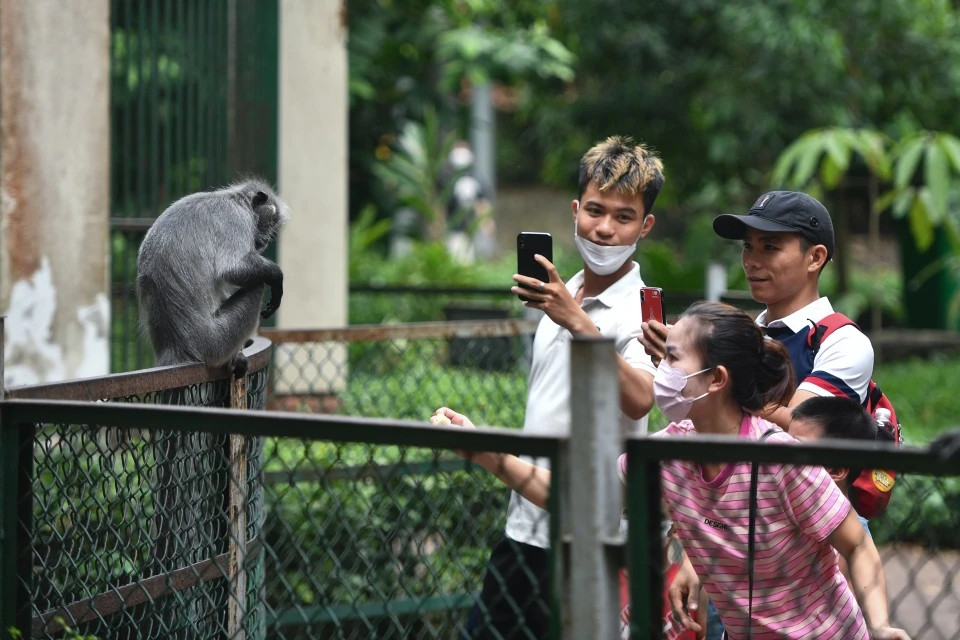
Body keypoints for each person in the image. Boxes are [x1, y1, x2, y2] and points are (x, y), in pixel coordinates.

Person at [440, 301, 910, 639]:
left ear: (715, 380)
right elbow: (575, 496)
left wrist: (882, 624)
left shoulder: (782, 461)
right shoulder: (667, 455)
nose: (659, 370)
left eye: (670, 358)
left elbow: (858, 545)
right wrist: (488, 454)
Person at [446, 135, 664, 639]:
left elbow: (640, 399)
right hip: (524, 530)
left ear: (645, 226)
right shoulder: (559, 296)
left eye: (623, 217)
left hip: (592, 540)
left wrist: (577, 322)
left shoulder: (640, 315)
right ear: (575, 210)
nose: (605, 228)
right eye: (594, 210)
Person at [640, 190, 874, 431]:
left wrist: (711, 376)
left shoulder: (842, 342)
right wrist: (682, 366)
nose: (751, 260)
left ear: (815, 257)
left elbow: (801, 427)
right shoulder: (748, 333)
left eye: (770, 247)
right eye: (748, 246)